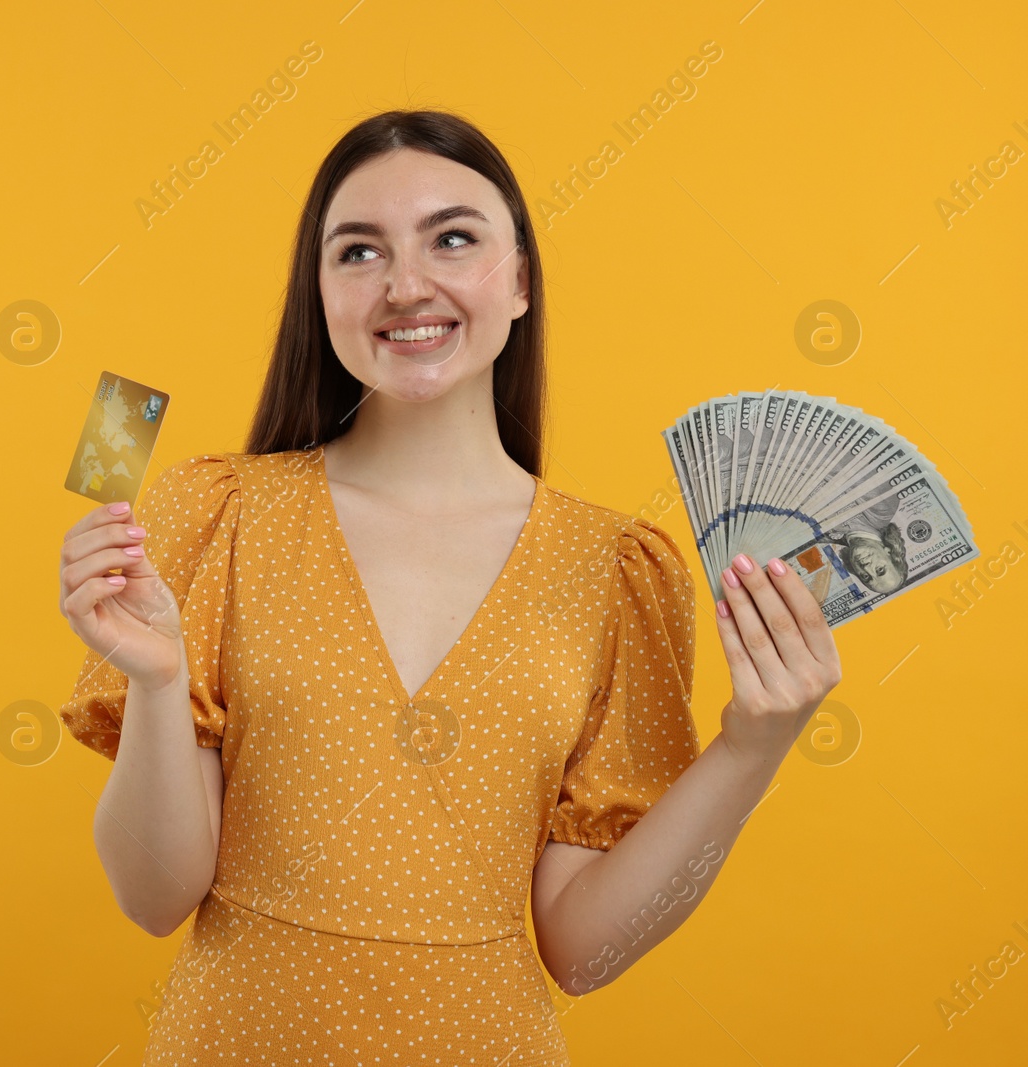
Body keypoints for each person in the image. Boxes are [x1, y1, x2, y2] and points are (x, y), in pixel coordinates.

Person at [56, 109, 843, 1065]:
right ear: (320, 293)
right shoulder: (216, 510)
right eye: (357, 251)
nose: (404, 285)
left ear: (519, 281)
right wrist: (152, 681)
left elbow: (584, 951)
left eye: (453, 238)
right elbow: (152, 897)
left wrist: (752, 745)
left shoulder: (620, 569)